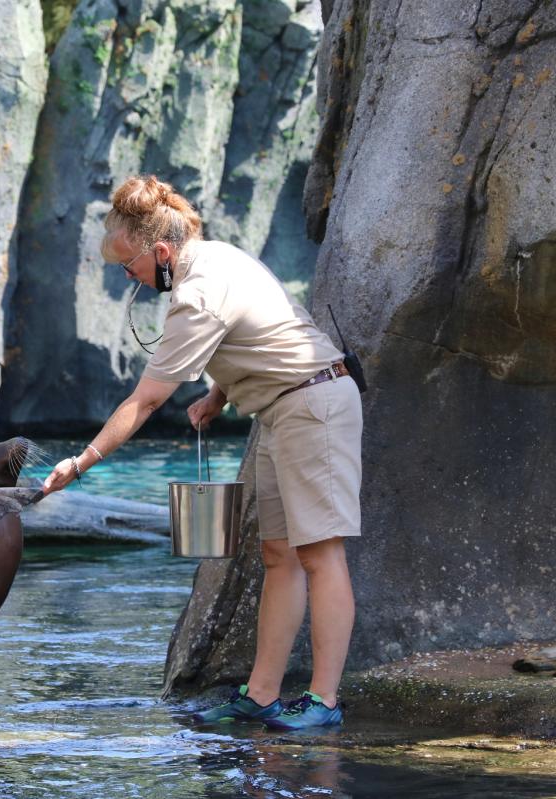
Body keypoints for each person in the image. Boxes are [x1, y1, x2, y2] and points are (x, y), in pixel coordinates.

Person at [41, 175, 363, 731]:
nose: (129, 277)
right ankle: (260, 695)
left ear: (160, 252)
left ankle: (324, 703)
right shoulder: (216, 257)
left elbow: (144, 402)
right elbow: (263, 328)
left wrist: (81, 461)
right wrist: (219, 393)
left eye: (130, 266)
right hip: (281, 408)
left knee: (320, 554)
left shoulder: (196, 295)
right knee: (278, 555)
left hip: (313, 407)